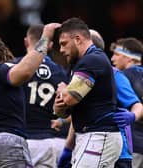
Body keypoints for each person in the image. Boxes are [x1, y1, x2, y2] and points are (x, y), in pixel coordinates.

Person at [0, 23, 60, 168]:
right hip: (6, 141)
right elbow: (25, 72)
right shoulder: (1, 69)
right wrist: (45, 37)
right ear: (3, 52)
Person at [57, 29, 143, 168]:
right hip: (88, 144)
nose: (62, 50)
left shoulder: (113, 75)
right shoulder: (82, 76)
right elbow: (79, 115)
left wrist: (132, 116)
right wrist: (68, 147)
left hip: (116, 152)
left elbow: (137, 105)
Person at [53, 17, 123, 168]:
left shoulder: (92, 60)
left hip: (98, 136)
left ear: (77, 39)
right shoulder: (82, 63)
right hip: (92, 137)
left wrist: (64, 91)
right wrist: (62, 101)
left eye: (64, 44)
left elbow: (70, 98)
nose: (61, 50)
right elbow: (62, 111)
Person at [21, 24, 69, 168]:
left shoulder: (13, 67)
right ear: (50, 45)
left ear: (26, 42)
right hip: (52, 141)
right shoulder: (61, 71)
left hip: (22, 140)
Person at [111, 37, 143, 168]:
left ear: (129, 57)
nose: (112, 59)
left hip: (131, 147)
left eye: (117, 54)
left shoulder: (120, 76)